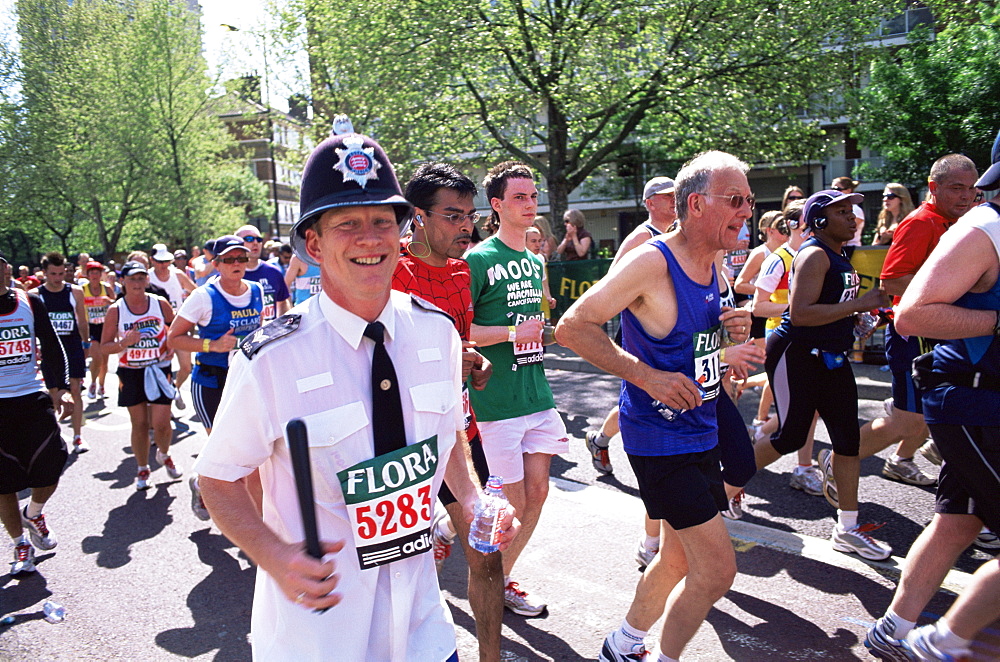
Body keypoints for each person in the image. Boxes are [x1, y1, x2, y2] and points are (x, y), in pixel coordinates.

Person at [196, 132, 517, 661]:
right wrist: (274, 555)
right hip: (321, 635)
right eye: (347, 223)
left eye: (382, 221)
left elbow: (447, 431)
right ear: (315, 245)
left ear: (402, 231)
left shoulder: (436, 332)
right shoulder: (271, 359)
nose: (369, 238)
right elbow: (218, 477)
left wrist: (477, 501)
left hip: (422, 629)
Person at [556, 151, 753, 662]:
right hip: (660, 439)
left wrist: (731, 333)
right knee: (717, 571)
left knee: (674, 561)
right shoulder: (652, 261)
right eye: (736, 200)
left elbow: (688, 343)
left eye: (749, 200)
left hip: (700, 431)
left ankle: (620, 646)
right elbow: (573, 326)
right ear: (697, 204)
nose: (748, 211)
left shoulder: (713, 264)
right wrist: (647, 377)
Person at [865, 132, 1000, 662]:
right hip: (971, 397)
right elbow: (912, 313)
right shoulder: (986, 227)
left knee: (959, 521)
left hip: (979, 397)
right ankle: (941, 643)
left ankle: (893, 631)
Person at [391, 162, 508, 662]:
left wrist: (473, 364)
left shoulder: (463, 271)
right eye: (453, 216)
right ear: (418, 217)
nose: (467, 227)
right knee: (395, 569)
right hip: (402, 441)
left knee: (486, 550)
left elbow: (459, 347)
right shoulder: (388, 269)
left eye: (471, 216)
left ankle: (490, 657)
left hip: (458, 432)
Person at [754, 189, 893, 561]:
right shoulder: (814, 254)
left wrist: (857, 319)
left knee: (848, 441)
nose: (853, 217)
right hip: (798, 355)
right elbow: (800, 314)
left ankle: (847, 528)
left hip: (832, 357)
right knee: (790, 436)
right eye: (842, 212)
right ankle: (722, 489)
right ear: (818, 221)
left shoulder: (839, 255)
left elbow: (834, 309)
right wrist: (861, 303)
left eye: (853, 211)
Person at [467, 161, 568, 617]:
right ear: (497, 205)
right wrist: (513, 333)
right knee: (515, 502)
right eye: (520, 198)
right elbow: (463, 330)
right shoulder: (479, 259)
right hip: (498, 400)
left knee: (539, 495)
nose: (530, 205)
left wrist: (546, 330)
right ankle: (488, 578)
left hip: (537, 392)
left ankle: (501, 577)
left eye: (533, 196)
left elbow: (532, 328)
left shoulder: (533, 259)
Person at [853, 155, 979, 491]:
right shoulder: (920, 222)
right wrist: (951, 291)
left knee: (947, 411)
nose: (966, 196)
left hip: (945, 333)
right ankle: (840, 461)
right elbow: (891, 282)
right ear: (934, 188)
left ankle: (902, 461)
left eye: (971, 188)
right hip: (912, 335)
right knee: (909, 421)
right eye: (956, 188)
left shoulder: (964, 222)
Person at [582, 175, 678, 568]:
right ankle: (607, 441)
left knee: (647, 397)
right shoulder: (641, 238)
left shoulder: (676, 232)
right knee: (643, 396)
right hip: (641, 331)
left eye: (677, 197)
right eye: (669, 198)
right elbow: (613, 287)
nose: (675, 203)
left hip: (668, 329)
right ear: (651, 202)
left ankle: (600, 439)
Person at [0, 251, 68, 576]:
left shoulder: (29, 301)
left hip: (31, 394)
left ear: (8, 270)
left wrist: (61, 388)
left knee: (54, 460)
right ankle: (19, 544)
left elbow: (53, 345)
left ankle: (35, 512)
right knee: (3, 482)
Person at [749, 200, 823, 492]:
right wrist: (797, 309)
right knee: (805, 410)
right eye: (810, 223)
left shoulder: (818, 254)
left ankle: (761, 434)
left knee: (808, 409)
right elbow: (759, 306)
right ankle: (801, 468)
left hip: (810, 339)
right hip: (784, 340)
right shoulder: (777, 259)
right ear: (793, 226)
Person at [167, 236, 264, 435]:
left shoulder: (256, 290)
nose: (236, 263)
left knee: (254, 444)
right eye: (229, 260)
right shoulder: (203, 296)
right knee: (222, 449)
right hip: (212, 380)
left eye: (241, 258)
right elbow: (173, 338)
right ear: (216, 265)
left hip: (247, 377)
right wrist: (212, 345)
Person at [100, 261, 181, 490]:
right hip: (131, 371)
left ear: (147, 280)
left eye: (141, 278)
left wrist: (171, 345)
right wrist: (124, 343)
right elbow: (104, 347)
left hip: (159, 368)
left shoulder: (160, 304)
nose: (137, 283)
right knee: (140, 424)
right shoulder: (116, 309)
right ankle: (143, 468)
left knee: (162, 423)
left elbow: (177, 330)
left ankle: (164, 454)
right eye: (132, 279)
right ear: (123, 281)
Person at [33, 252, 89, 453]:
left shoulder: (75, 292)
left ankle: (78, 437)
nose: (57, 278)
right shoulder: (35, 295)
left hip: (73, 346)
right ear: (44, 273)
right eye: (53, 274)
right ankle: (56, 434)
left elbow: (82, 321)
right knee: (55, 392)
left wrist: (86, 343)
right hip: (50, 350)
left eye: (60, 273)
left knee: (75, 389)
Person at [149, 243, 197, 410]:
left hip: (177, 325)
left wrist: (190, 309)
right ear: (152, 261)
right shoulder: (147, 278)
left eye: (167, 261)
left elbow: (197, 292)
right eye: (159, 261)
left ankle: (174, 388)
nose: (163, 265)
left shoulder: (177, 275)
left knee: (186, 366)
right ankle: (163, 407)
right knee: (161, 368)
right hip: (156, 329)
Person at [234, 225, 291, 323]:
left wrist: (282, 327)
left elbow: (283, 302)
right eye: (249, 239)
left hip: (269, 336)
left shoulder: (274, 272)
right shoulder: (228, 275)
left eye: (259, 239)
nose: (255, 243)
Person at [81, 261, 113, 399]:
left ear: (101, 275)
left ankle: (101, 385)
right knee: (97, 358)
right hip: (91, 327)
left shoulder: (107, 288)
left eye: (97, 273)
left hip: (105, 327)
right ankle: (93, 383)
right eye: (92, 273)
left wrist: (109, 302)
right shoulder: (82, 289)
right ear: (87, 275)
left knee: (105, 361)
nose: (94, 275)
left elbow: (117, 306)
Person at [832, 176, 866, 252]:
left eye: (837, 189)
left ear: (848, 191)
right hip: (840, 249)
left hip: (852, 251)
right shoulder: (835, 209)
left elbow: (846, 234)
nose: (834, 192)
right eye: (832, 189)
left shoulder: (856, 210)